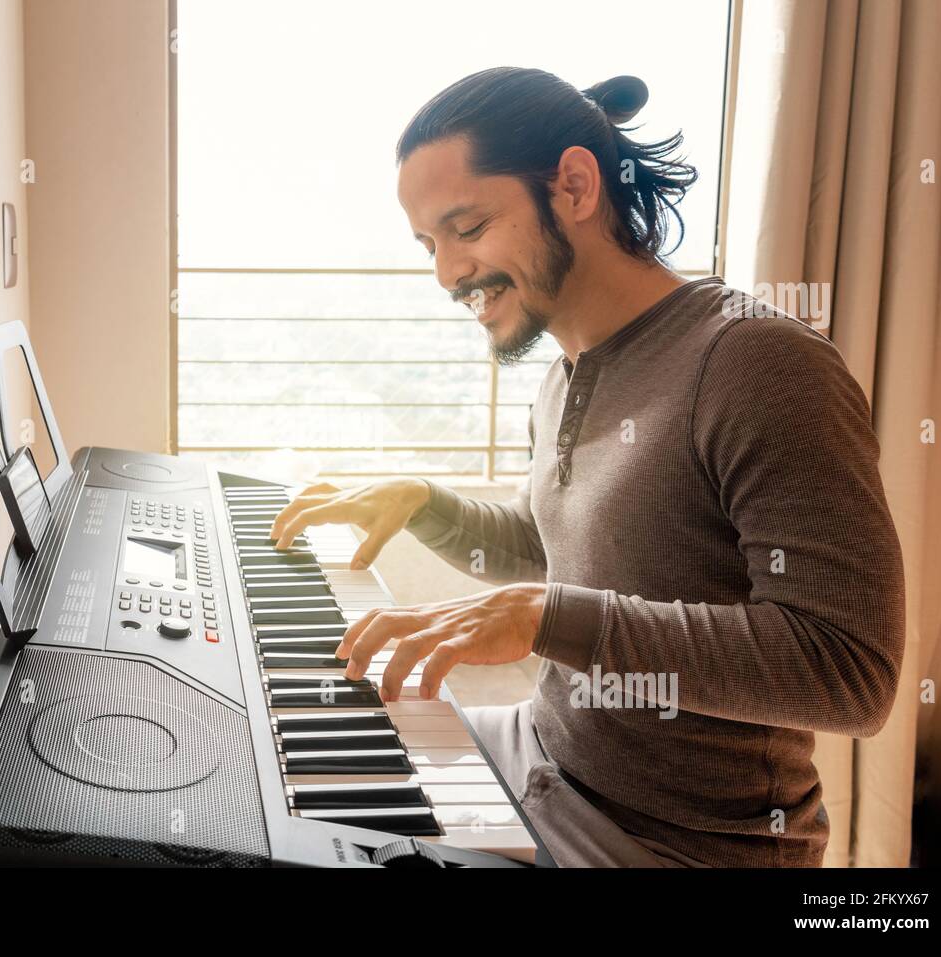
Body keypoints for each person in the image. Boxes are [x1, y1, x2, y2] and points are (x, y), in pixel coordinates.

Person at [269, 68, 905, 867]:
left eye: (466, 227)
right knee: (301, 751)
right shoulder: (564, 371)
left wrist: (547, 617)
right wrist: (424, 502)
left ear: (573, 185)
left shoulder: (758, 364)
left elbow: (849, 671)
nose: (447, 273)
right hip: (543, 755)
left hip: (675, 841)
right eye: (431, 244)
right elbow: (566, 552)